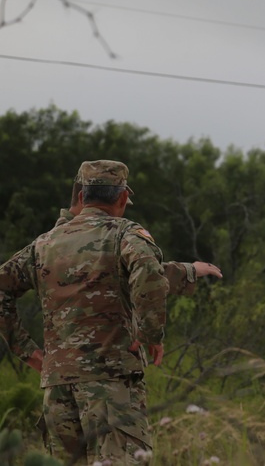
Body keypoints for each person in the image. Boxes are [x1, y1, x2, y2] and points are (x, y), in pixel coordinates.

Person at [0, 160, 189, 465]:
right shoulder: (125, 234)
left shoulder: (44, 243)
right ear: (122, 197)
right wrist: (151, 333)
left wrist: (27, 351)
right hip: (111, 383)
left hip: (58, 386)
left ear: (83, 196)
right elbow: (150, 274)